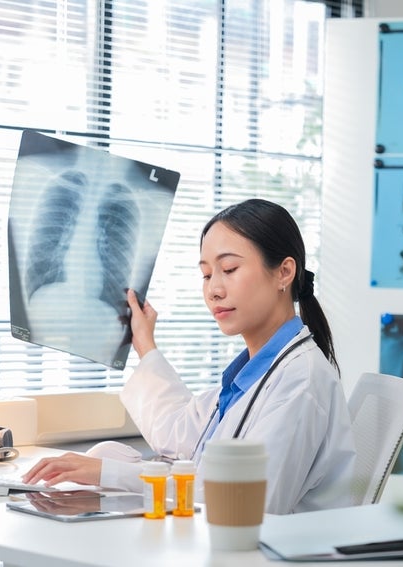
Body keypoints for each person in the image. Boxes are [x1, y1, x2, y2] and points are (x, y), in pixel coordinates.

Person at [22, 198, 357, 514]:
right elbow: (180, 433)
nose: (214, 290)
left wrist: (109, 473)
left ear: (284, 272)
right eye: (207, 274)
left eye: (229, 269)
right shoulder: (253, 375)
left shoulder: (301, 380)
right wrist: (143, 344)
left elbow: (248, 503)